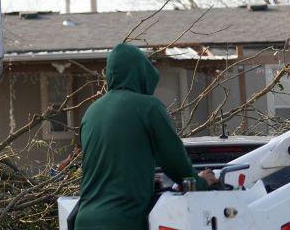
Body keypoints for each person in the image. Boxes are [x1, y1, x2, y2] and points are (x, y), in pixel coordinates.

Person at [72, 43, 217, 230]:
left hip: (84, 220)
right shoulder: (148, 108)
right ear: (141, 74)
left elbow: (105, 166)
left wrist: (144, 180)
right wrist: (201, 181)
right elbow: (175, 164)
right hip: (122, 221)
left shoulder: (92, 112)